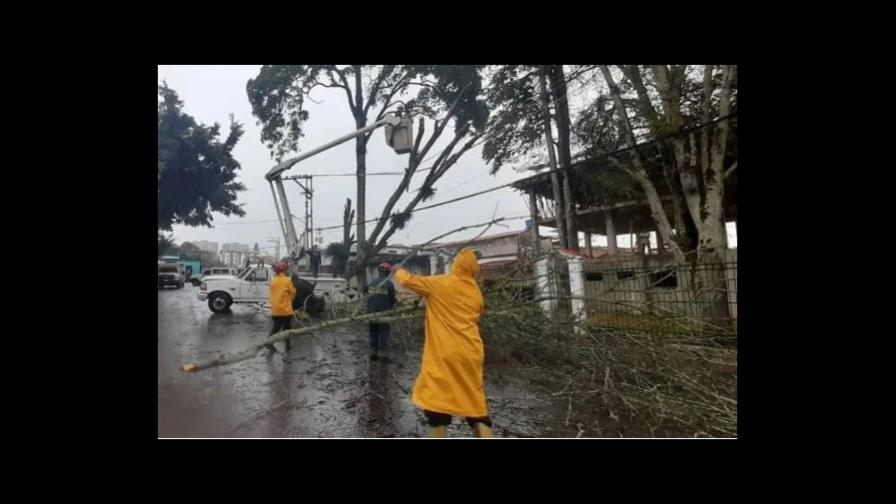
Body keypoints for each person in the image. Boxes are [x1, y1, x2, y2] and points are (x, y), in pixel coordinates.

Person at [393, 248, 493, 438]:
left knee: (436, 399)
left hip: (444, 352)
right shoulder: (475, 292)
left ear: (456, 265)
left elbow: (409, 281)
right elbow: (476, 315)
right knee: (473, 398)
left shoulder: (441, 283)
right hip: (471, 351)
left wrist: (398, 270)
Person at [366, 262, 397, 361]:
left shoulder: (372, 282)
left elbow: (369, 298)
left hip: (371, 312)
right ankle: (383, 355)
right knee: (384, 332)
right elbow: (392, 299)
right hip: (384, 313)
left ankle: (373, 354)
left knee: (373, 332)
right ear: (388, 272)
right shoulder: (389, 283)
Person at [268, 260, 297, 353]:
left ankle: (269, 341)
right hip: (285, 309)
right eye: (287, 269)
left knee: (276, 326)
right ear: (284, 270)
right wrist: (290, 299)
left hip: (275, 309)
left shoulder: (273, 280)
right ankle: (287, 345)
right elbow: (293, 293)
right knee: (287, 328)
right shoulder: (287, 280)